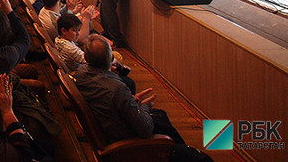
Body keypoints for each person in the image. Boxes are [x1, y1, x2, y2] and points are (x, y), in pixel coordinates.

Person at [74, 35, 211, 162]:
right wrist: (144, 107)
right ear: (111, 59)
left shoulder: (81, 73)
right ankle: (174, 151)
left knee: (160, 115)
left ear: (85, 57)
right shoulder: (116, 88)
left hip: (110, 127)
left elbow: (110, 102)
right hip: (127, 144)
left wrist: (131, 100)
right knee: (201, 159)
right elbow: (145, 129)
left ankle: (177, 148)